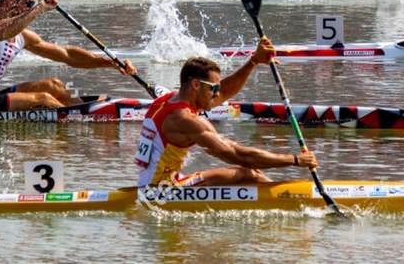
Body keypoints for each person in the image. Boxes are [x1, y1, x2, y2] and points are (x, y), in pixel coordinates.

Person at [135, 39, 317, 187]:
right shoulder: (185, 120)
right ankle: (295, 200)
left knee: (249, 174)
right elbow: (239, 156)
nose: (216, 93)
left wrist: (253, 62)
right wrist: (294, 160)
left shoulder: (166, 100)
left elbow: (223, 93)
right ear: (196, 85)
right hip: (162, 191)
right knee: (249, 172)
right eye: (213, 87)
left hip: (156, 182)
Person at [0, 0, 138, 113]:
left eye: (33, 5)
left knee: (54, 85)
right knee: (43, 98)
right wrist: (38, 10)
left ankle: (87, 112)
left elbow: (67, 55)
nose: (31, 8)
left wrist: (113, 63)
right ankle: (81, 122)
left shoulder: (23, 36)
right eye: (29, 3)